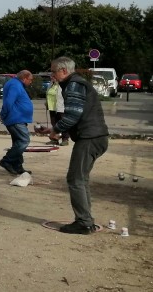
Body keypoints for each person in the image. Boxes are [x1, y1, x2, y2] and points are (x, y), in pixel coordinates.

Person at [36, 57, 109, 235]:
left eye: (53, 71)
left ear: (64, 71)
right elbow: (74, 115)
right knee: (81, 179)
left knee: (75, 179)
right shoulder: (76, 83)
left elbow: (73, 115)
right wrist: (53, 129)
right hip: (95, 136)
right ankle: (86, 220)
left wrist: (56, 130)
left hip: (89, 137)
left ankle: (83, 223)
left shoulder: (75, 84)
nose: (51, 75)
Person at [0, 70, 34, 175]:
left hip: (18, 118)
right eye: (30, 80)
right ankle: (7, 161)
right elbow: (8, 102)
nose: (31, 82)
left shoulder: (15, 84)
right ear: (25, 78)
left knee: (17, 142)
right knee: (24, 141)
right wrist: (3, 115)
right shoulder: (15, 85)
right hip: (16, 118)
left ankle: (17, 166)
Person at [45, 77, 70, 146]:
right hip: (51, 107)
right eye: (51, 76)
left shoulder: (62, 84)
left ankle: (65, 139)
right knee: (54, 123)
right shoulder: (51, 84)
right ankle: (54, 139)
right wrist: (46, 102)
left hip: (61, 106)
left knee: (63, 123)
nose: (52, 78)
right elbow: (48, 93)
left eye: (53, 76)